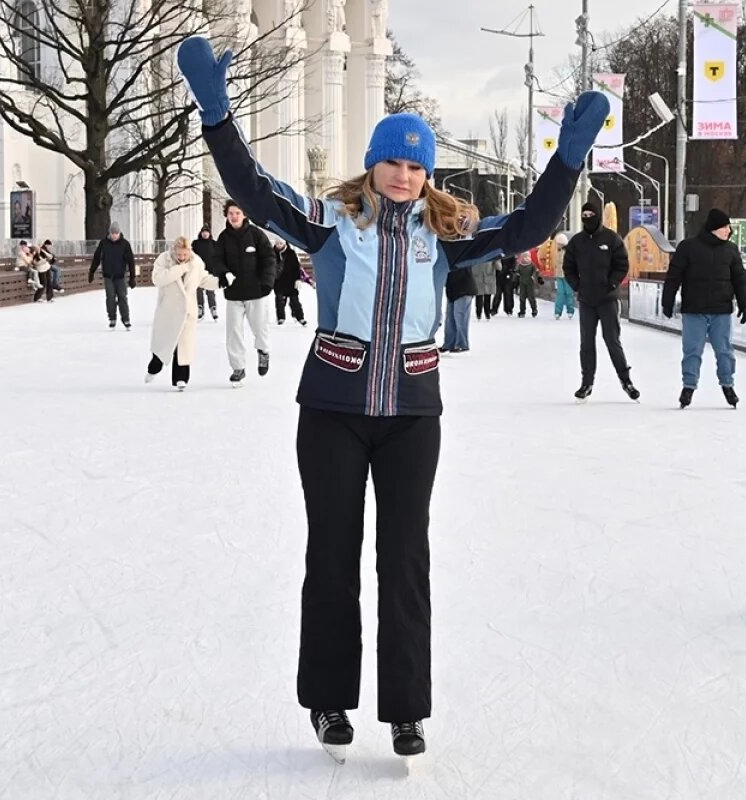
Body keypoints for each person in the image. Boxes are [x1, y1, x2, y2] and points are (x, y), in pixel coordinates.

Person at [177, 33, 606, 760]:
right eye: (392, 162)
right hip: (333, 416)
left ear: (427, 173)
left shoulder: (446, 236)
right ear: (371, 165)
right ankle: (328, 702)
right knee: (333, 557)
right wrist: (217, 117)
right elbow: (253, 190)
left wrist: (567, 160)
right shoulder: (331, 222)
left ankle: (406, 709)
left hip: (411, 419)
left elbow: (529, 227)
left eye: (416, 165)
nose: (403, 175)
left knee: (404, 559)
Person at [662, 208, 746, 409]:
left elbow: (739, 279)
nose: (729, 230)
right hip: (695, 310)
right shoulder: (688, 248)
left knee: (725, 351)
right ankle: (688, 386)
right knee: (692, 350)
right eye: (726, 227)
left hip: (721, 311)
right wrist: (667, 300)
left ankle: (728, 385)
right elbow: (674, 275)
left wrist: (744, 303)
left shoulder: (730, 250)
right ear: (715, 228)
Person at [563, 201, 638, 402]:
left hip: (608, 300)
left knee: (612, 340)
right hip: (587, 300)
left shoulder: (611, 239)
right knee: (586, 342)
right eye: (584, 214)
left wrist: (612, 283)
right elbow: (568, 267)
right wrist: (577, 285)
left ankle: (625, 380)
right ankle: (586, 382)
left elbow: (622, 264)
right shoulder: (577, 242)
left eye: (591, 214)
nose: (587, 218)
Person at [207, 199, 277, 384]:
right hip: (234, 293)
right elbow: (216, 260)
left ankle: (263, 351)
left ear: (244, 214)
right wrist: (223, 273)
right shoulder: (223, 238)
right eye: (231, 213)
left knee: (260, 328)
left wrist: (267, 283)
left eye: (237, 213)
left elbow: (269, 259)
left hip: (256, 292)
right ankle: (238, 367)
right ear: (227, 216)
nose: (234, 216)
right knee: (233, 332)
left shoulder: (256, 235)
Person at [146, 236, 222, 389]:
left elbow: (203, 279)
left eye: (184, 255)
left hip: (187, 310)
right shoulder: (164, 260)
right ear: (174, 251)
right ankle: (154, 368)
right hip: (168, 309)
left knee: (183, 346)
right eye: (179, 254)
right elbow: (158, 279)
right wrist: (179, 268)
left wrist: (220, 282)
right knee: (164, 343)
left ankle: (181, 378)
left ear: (189, 252)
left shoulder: (196, 262)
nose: (181, 258)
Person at [89, 222, 136, 329]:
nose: (114, 235)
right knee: (110, 297)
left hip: (121, 276)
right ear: (109, 233)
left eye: (116, 233)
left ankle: (126, 319)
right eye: (112, 233)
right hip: (108, 276)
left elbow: (131, 261)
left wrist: (132, 278)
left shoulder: (125, 244)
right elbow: (96, 258)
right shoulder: (104, 243)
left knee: (122, 297)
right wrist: (91, 272)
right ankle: (112, 318)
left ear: (119, 233)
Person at [440, 263, 476, 353]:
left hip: (464, 289)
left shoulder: (462, 257)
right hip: (452, 290)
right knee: (450, 319)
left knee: (460, 317)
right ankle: (449, 344)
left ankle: (462, 344)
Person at [272, 237, 308, 326]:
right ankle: (281, 318)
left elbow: (296, 268)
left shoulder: (291, 253)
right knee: (279, 301)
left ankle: (300, 317)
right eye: (277, 243)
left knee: (295, 300)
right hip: (278, 281)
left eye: (281, 243)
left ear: (284, 243)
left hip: (291, 281)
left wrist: (298, 279)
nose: (279, 245)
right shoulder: (272, 253)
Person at [541, 231, 575, 319]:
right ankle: (557, 312)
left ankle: (570, 310)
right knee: (560, 294)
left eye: (559, 244)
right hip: (559, 275)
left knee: (569, 293)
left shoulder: (569, 253)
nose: (557, 245)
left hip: (568, 276)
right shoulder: (557, 252)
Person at [191, 226, 220, 321]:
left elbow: (218, 257)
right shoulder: (196, 243)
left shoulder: (214, 244)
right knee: (198, 290)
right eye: (203, 232)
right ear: (201, 233)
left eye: (207, 232)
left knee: (210, 291)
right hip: (198, 271)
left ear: (209, 234)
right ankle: (200, 308)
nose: (205, 234)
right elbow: (191, 256)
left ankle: (213, 308)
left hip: (210, 272)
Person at [515, 250, 542, 317]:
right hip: (522, 283)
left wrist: (539, 278)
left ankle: (534, 310)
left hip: (530, 282)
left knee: (531, 297)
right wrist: (515, 278)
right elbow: (517, 273)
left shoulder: (532, 265)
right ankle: (522, 311)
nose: (525, 258)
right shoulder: (520, 265)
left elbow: (536, 271)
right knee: (522, 298)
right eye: (524, 257)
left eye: (527, 257)